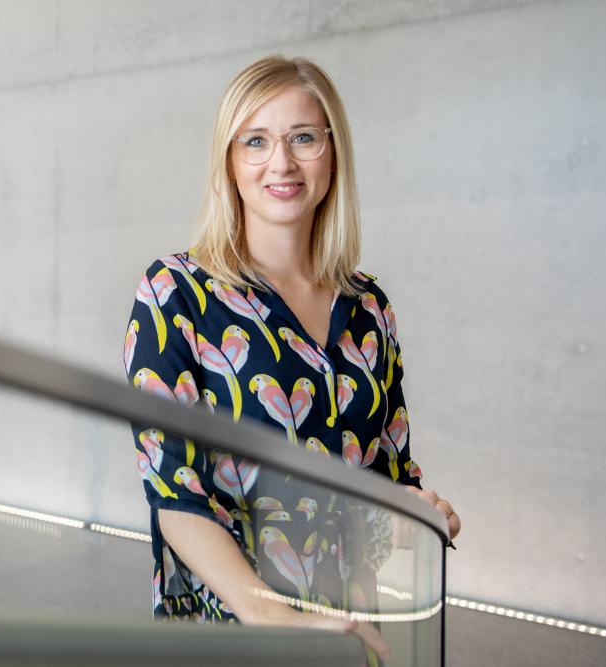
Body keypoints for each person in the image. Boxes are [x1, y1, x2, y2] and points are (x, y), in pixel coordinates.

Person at [123, 55, 461, 657]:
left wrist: (415, 511)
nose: (281, 162)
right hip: (231, 631)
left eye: (302, 137)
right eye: (256, 141)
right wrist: (266, 612)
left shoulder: (368, 308)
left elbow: (386, 481)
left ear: (332, 152)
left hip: (350, 630)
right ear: (230, 162)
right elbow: (174, 492)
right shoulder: (175, 293)